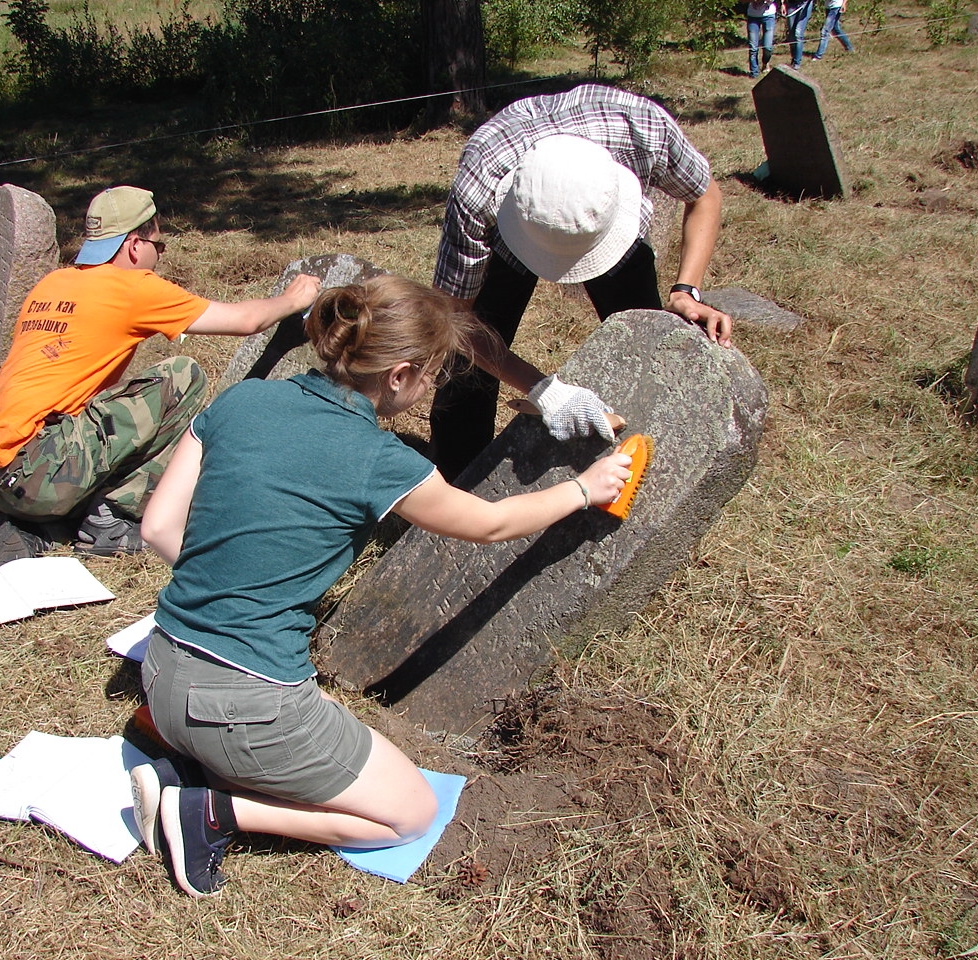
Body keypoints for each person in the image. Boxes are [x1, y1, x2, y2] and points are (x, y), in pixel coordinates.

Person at [128, 276, 634, 898]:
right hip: (247, 701)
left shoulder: (243, 400)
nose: (431, 389)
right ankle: (211, 813)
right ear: (399, 375)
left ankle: (193, 752)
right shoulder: (380, 459)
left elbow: (157, 525)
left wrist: (240, 581)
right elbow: (489, 522)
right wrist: (585, 488)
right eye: (432, 374)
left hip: (161, 669)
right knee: (411, 813)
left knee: (301, 738)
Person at [0, 185, 321, 564]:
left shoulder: (53, 283)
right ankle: (107, 522)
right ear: (135, 245)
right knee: (181, 376)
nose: (159, 256)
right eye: (160, 245)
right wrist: (295, 299)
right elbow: (246, 320)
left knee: (108, 408)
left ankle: (35, 523)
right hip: (41, 471)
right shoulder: (133, 288)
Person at [431, 84, 733, 482]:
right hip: (507, 238)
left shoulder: (644, 129)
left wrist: (685, 291)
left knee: (645, 343)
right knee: (468, 365)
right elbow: (455, 322)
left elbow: (704, 195)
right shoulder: (482, 183)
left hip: (603, 220)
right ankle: (457, 479)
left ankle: (651, 459)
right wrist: (546, 391)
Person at [746, 0, 778, 78]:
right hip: (752, 17)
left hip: (769, 16)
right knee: (753, 47)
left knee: (768, 47)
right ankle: (754, 73)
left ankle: (765, 63)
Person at [785, 0, 815, 69]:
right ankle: (793, 58)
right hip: (791, 4)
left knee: (798, 34)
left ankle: (797, 62)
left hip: (805, 4)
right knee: (792, 35)